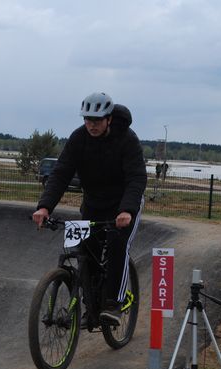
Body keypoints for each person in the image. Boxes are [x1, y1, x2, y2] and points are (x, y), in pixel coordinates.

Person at [32, 92, 147, 327]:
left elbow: (136, 178)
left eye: (97, 120)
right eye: (87, 119)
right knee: (87, 251)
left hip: (123, 204)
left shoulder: (126, 139)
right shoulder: (78, 139)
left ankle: (114, 303)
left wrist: (127, 210)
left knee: (117, 245)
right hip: (94, 203)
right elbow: (61, 173)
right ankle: (91, 308)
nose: (91, 125)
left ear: (109, 119)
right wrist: (44, 207)